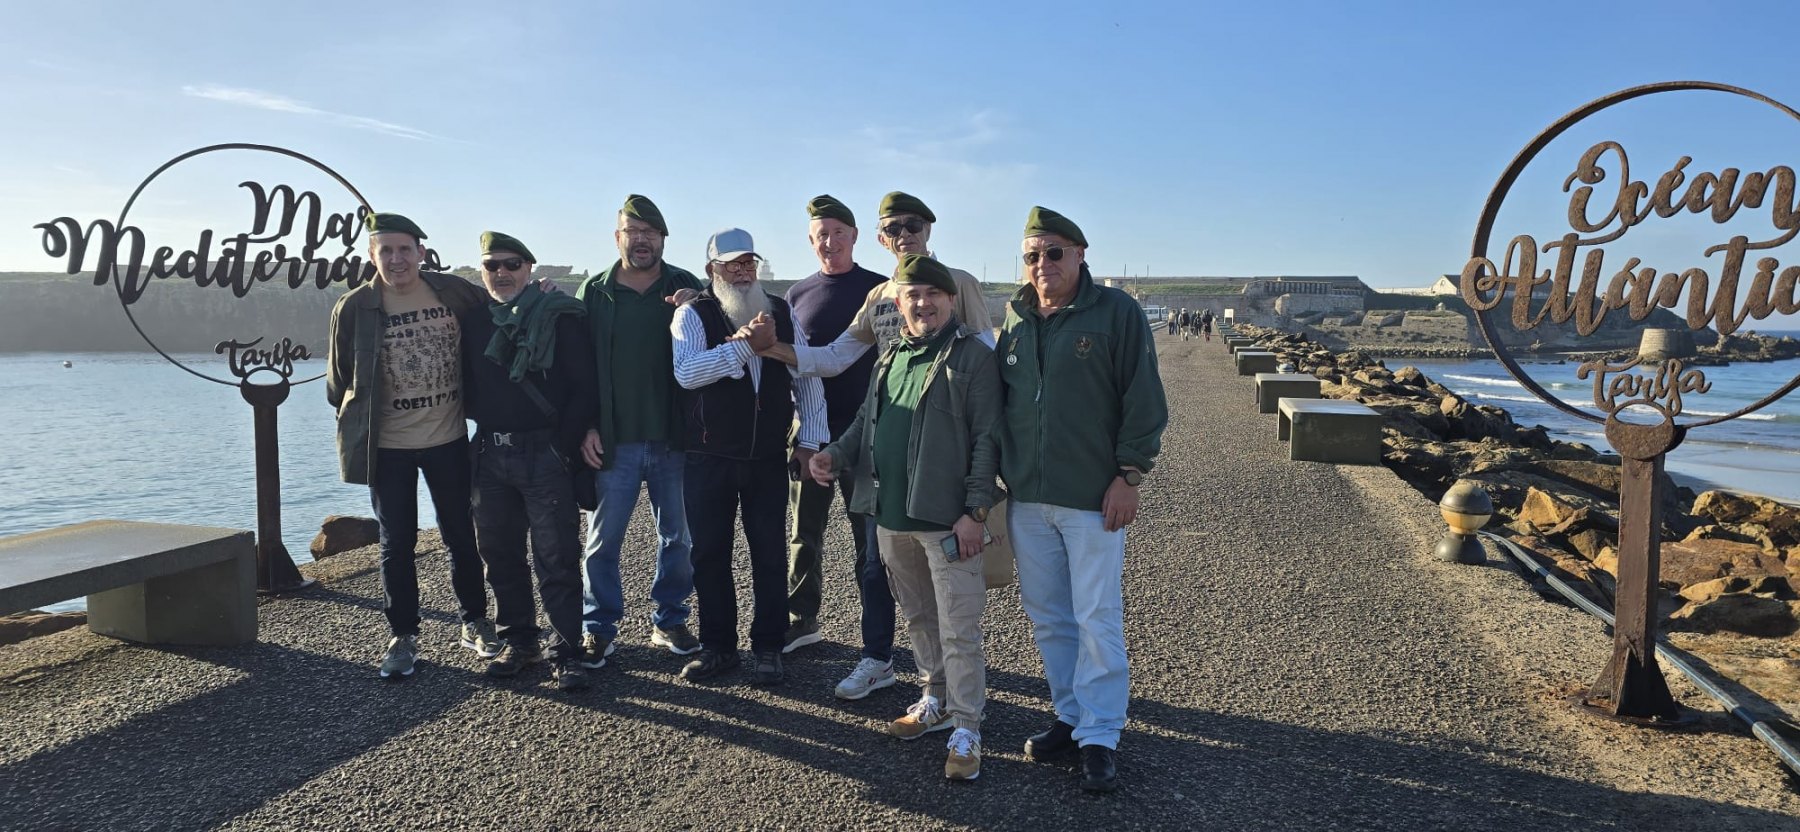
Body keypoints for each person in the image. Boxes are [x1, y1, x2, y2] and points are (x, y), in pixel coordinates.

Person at [761, 191, 993, 700]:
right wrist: (771, 348)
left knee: (948, 577)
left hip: (943, 451)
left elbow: (988, 363)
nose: (903, 234)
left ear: (928, 228)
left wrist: (984, 476)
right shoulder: (881, 296)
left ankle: (959, 698)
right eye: (892, 227)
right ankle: (881, 659)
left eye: (912, 225)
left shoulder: (960, 283)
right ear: (882, 237)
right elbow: (833, 358)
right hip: (885, 451)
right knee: (879, 564)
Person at [809, 253, 1001, 781]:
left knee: (959, 626)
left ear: (951, 300)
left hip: (948, 520)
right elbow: (866, 421)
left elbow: (988, 440)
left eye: (933, 294)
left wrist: (975, 511)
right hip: (892, 516)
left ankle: (968, 725)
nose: (923, 303)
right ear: (899, 303)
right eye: (913, 295)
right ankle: (934, 698)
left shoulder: (972, 358)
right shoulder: (890, 356)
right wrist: (835, 454)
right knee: (919, 617)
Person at [998, 207, 1167, 793]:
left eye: (1053, 252)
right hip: (1027, 497)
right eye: (1032, 255)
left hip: (1093, 496)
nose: (1042, 264)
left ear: (1079, 254)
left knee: (1097, 615)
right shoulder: (1015, 319)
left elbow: (1143, 397)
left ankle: (1100, 733)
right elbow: (1000, 405)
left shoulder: (1116, 312)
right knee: (1048, 615)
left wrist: (1130, 474)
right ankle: (1069, 716)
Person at [326, 212, 497, 681]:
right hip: (388, 447)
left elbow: (502, 314)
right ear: (372, 255)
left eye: (405, 249)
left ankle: (474, 621)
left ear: (421, 252)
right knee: (396, 542)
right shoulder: (354, 307)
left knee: (460, 534)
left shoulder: (455, 292)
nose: (396, 259)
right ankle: (403, 635)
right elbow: (338, 382)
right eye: (386, 250)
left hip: (448, 438)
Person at [672, 228, 828, 685]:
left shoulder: (780, 309)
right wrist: (744, 346)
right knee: (709, 554)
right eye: (732, 264)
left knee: (769, 553)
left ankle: (768, 647)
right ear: (712, 269)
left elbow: (805, 375)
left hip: (766, 457)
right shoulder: (691, 313)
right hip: (708, 455)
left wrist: (809, 440)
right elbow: (687, 373)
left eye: (748, 263)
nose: (742, 272)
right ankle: (718, 647)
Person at [460, 231, 597, 691]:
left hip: (545, 451)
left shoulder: (559, 315)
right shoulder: (474, 322)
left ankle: (566, 651)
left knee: (556, 557)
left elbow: (584, 387)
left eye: (511, 264)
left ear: (529, 268)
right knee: (499, 555)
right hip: (490, 452)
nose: (501, 273)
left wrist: (563, 445)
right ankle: (519, 641)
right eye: (492, 265)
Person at [573, 195, 705, 668]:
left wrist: (700, 306)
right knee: (602, 541)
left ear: (663, 239)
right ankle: (598, 627)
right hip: (614, 439)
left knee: (678, 539)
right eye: (633, 231)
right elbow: (576, 367)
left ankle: (669, 619)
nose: (642, 239)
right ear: (618, 237)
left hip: (674, 439)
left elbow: (711, 352)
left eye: (651, 232)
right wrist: (585, 426)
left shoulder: (686, 285)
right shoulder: (594, 291)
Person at [778, 195, 893, 690]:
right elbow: (794, 367)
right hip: (811, 430)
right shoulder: (796, 294)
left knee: (870, 539)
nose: (829, 242)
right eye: (820, 235)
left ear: (854, 236)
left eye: (837, 233)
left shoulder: (879, 290)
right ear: (811, 240)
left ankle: (877, 640)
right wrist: (801, 431)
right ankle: (801, 618)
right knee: (804, 531)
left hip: (867, 433)